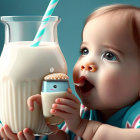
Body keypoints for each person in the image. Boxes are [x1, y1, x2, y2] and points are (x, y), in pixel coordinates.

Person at [1, 4, 140, 140]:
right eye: (85, 51)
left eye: (109, 55)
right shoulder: (82, 113)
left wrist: (87, 129)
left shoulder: (136, 115)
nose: (87, 64)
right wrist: (46, 128)